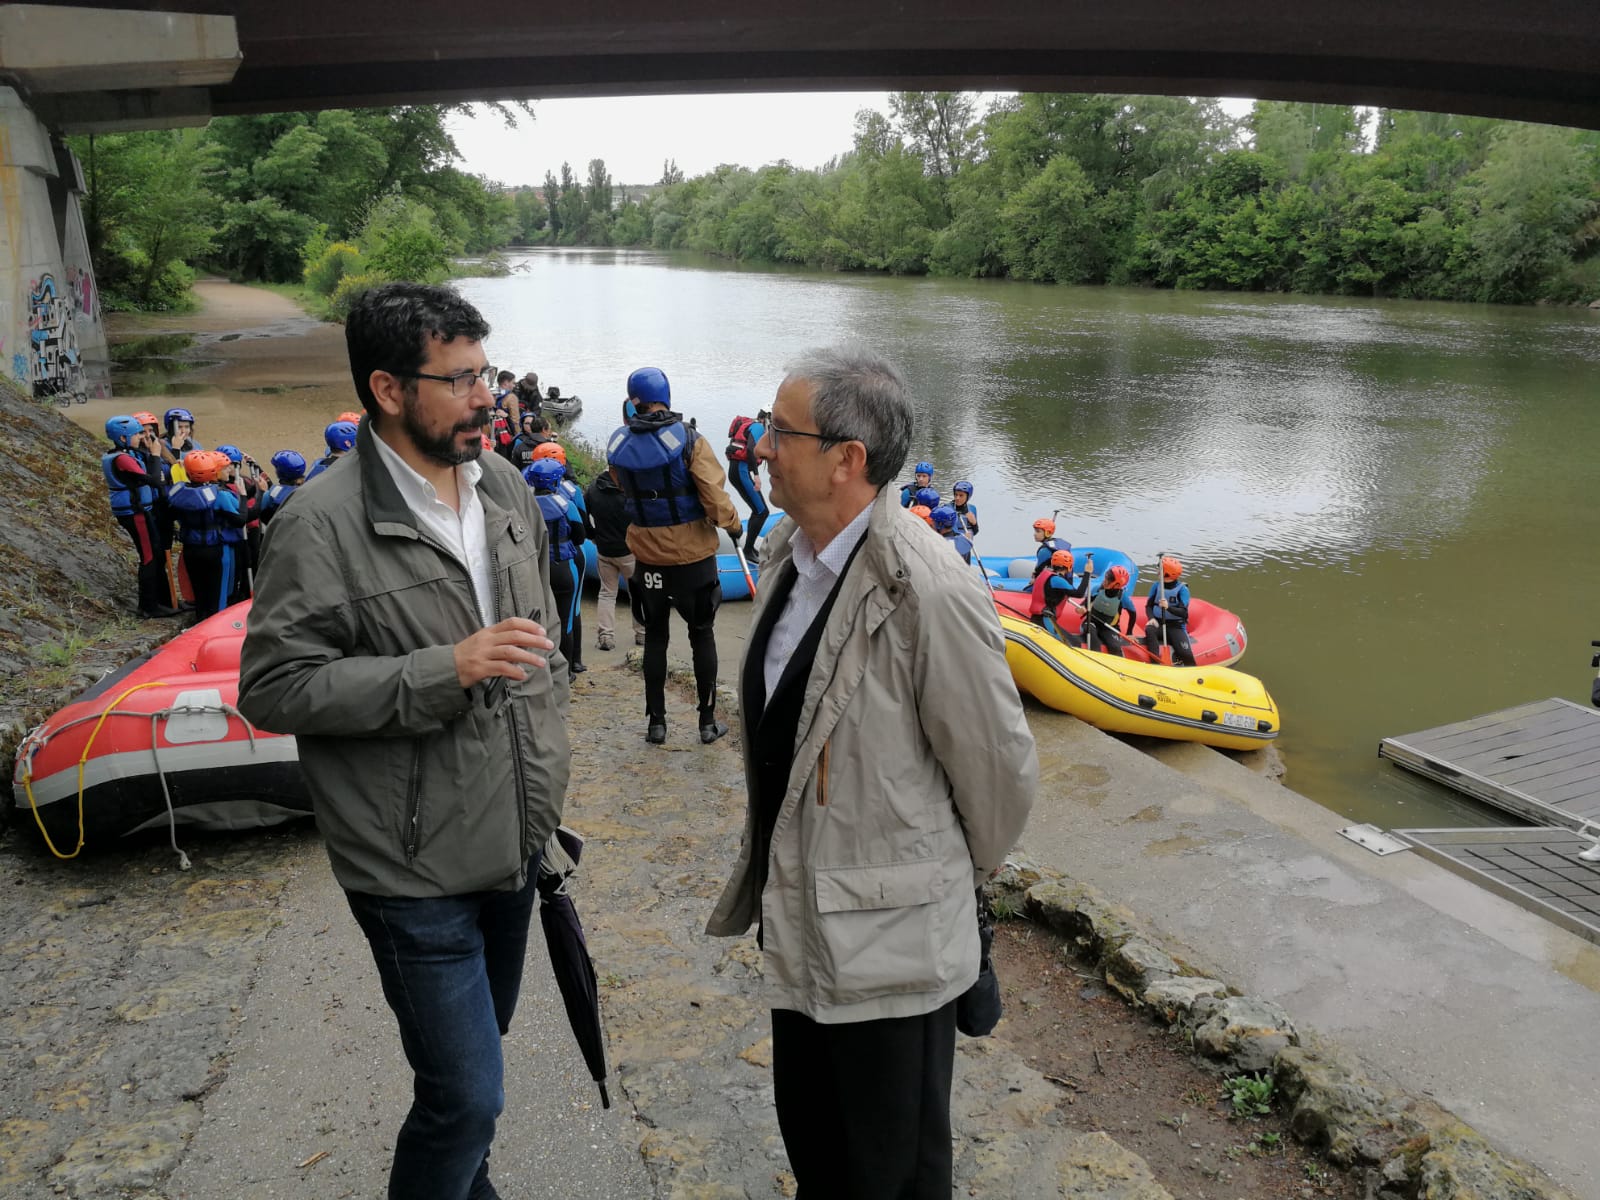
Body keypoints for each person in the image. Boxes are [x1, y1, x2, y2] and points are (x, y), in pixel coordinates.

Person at [237, 282, 570, 1200]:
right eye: (459, 381)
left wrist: (549, 763)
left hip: (514, 842)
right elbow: (272, 686)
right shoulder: (317, 524)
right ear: (388, 390)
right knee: (464, 1096)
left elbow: (542, 637)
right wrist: (443, 670)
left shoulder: (505, 487)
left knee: (480, 1071)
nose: (486, 398)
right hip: (409, 867)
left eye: (486, 374)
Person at [706, 345, 1037, 1200]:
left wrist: (924, 881)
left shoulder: (928, 590)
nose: (761, 447)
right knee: (818, 1154)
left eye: (780, 432)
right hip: (802, 923)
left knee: (893, 1174)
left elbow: (999, 778)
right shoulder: (791, 556)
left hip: (892, 951)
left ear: (845, 460)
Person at [606, 365, 743, 746]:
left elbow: (622, 487)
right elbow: (713, 497)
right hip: (693, 560)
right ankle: (707, 722)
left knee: (655, 637)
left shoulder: (619, 445)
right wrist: (733, 525)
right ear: (665, 396)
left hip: (647, 559)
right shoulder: (690, 440)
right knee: (701, 634)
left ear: (633, 401)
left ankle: (657, 724)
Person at [103, 415, 179, 617]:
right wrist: (155, 455)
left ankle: (159, 602)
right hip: (134, 513)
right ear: (123, 438)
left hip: (141, 511)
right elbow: (154, 479)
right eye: (137, 434)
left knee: (155, 553)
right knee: (149, 557)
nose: (140, 438)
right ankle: (148, 607)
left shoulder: (128, 454)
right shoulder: (122, 459)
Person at [524, 458, 586, 679]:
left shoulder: (526, 506)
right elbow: (580, 537)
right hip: (564, 568)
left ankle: (541, 669)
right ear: (556, 481)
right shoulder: (567, 505)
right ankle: (567, 672)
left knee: (539, 619)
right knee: (566, 620)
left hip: (536, 570)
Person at [167, 450, 247, 620]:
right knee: (215, 595)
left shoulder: (179, 492)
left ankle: (199, 622)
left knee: (199, 593)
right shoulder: (219, 495)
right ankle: (214, 627)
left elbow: (169, 514)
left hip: (190, 549)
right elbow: (240, 520)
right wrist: (244, 497)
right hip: (212, 550)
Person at [583, 460, 644, 651]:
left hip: (604, 550)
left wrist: (593, 535)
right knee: (638, 594)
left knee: (607, 593)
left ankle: (606, 636)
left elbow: (583, 515)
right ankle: (642, 633)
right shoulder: (629, 492)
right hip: (629, 552)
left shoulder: (593, 489)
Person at [725, 410, 770, 562]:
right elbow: (750, 448)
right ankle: (748, 550)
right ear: (766, 418)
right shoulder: (758, 427)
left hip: (737, 471)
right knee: (762, 511)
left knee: (758, 510)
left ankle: (749, 548)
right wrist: (756, 476)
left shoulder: (750, 424)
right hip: (740, 471)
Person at [1028, 548, 1094, 642]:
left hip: (1038, 618)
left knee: (1072, 639)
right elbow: (1079, 593)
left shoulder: (1044, 575)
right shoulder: (1057, 580)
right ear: (1069, 566)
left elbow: (1054, 593)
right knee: (1068, 643)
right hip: (1045, 620)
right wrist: (1087, 573)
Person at [1144, 554, 1197, 666]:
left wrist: (1168, 607)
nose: (1157, 571)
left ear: (1167, 573)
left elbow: (1183, 613)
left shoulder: (1182, 590)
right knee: (1149, 629)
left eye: (1160, 569)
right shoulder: (1156, 586)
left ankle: (1191, 670)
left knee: (1186, 654)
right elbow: (1148, 606)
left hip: (1175, 626)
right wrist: (1151, 618)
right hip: (1158, 623)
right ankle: (1155, 663)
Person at [1084, 563, 1137, 657]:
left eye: (1108, 580)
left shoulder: (1123, 597)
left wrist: (1129, 633)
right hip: (1091, 622)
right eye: (1105, 578)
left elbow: (1132, 613)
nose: (1104, 581)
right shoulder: (1097, 589)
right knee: (1093, 638)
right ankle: (1095, 658)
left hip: (1109, 627)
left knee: (1115, 647)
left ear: (1117, 585)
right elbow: (1086, 602)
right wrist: (1084, 608)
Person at [257, 450, 306, 525]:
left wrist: (263, 492)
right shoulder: (308, 488)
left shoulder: (269, 495)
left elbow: (262, 515)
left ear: (279, 472)